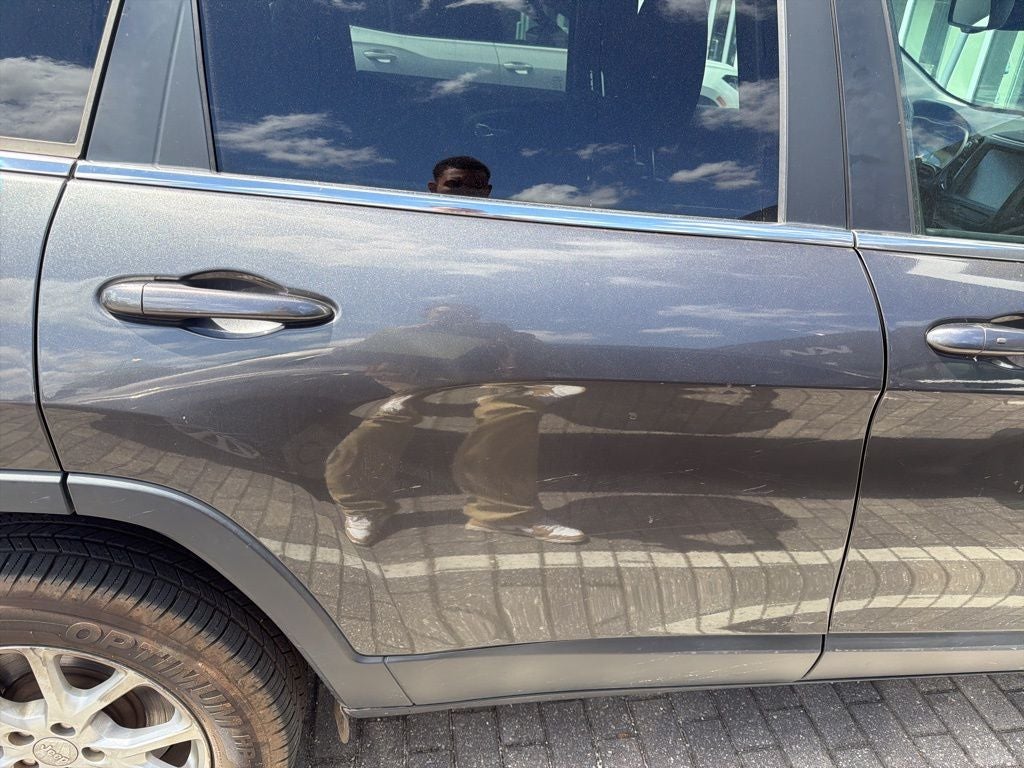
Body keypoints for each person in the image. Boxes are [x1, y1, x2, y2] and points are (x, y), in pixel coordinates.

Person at [428, 156, 492, 198]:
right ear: (433, 188)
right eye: (454, 184)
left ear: (487, 191)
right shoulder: (423, 213)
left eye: (476, 186)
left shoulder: (496, 214)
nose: (465, 191)